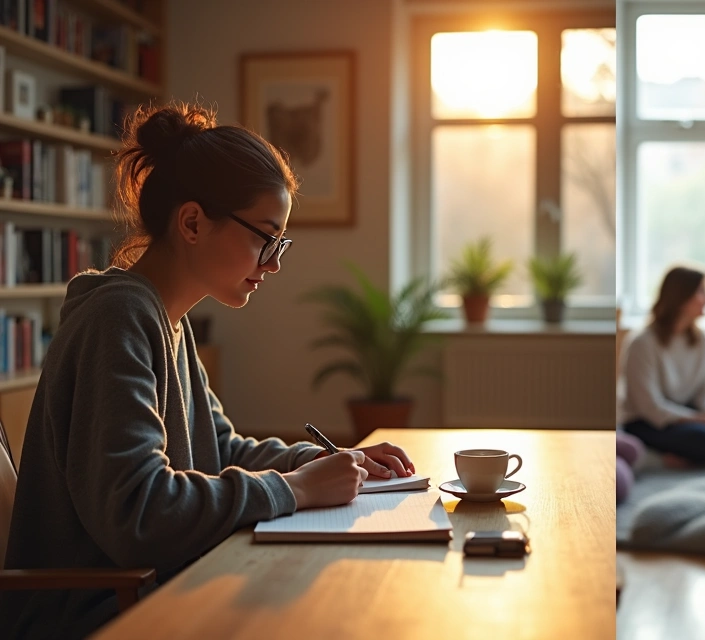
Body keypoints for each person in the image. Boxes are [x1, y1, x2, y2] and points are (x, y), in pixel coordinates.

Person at [0, 103, 415, 639]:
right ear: (193, 222)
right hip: (102, 616)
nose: (274, 264)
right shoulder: (117, 319)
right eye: (266, 238)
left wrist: (329, 459)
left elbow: (222, 449)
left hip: (155, 591)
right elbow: (140, 512)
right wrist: (296, 489)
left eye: (280, 242)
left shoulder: (167, 319)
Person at [618, 266, 705, 465]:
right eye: (701, 292)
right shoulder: (642, 342)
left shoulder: (702, 338)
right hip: (648, 422)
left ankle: (698, 457)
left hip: (690, 413)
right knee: (702, 438)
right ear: (680, 297)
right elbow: (652, 408)